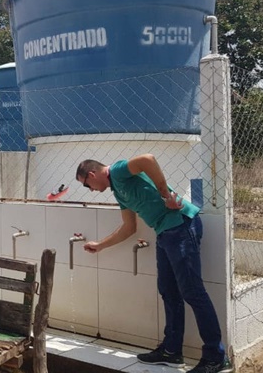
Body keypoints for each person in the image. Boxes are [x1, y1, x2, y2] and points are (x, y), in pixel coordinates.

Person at [76, 154, 232, 373]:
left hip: (180, 225)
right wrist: (100, 245)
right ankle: (171, 352)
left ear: (91, 174)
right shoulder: (119, 191)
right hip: (165, 233)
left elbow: (147, 159)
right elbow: (128, 227)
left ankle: (216, 357)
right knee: (169, 291)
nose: (90, 189)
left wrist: (165, 194)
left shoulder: (118, 171)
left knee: (193, 292)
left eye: (87, 185)